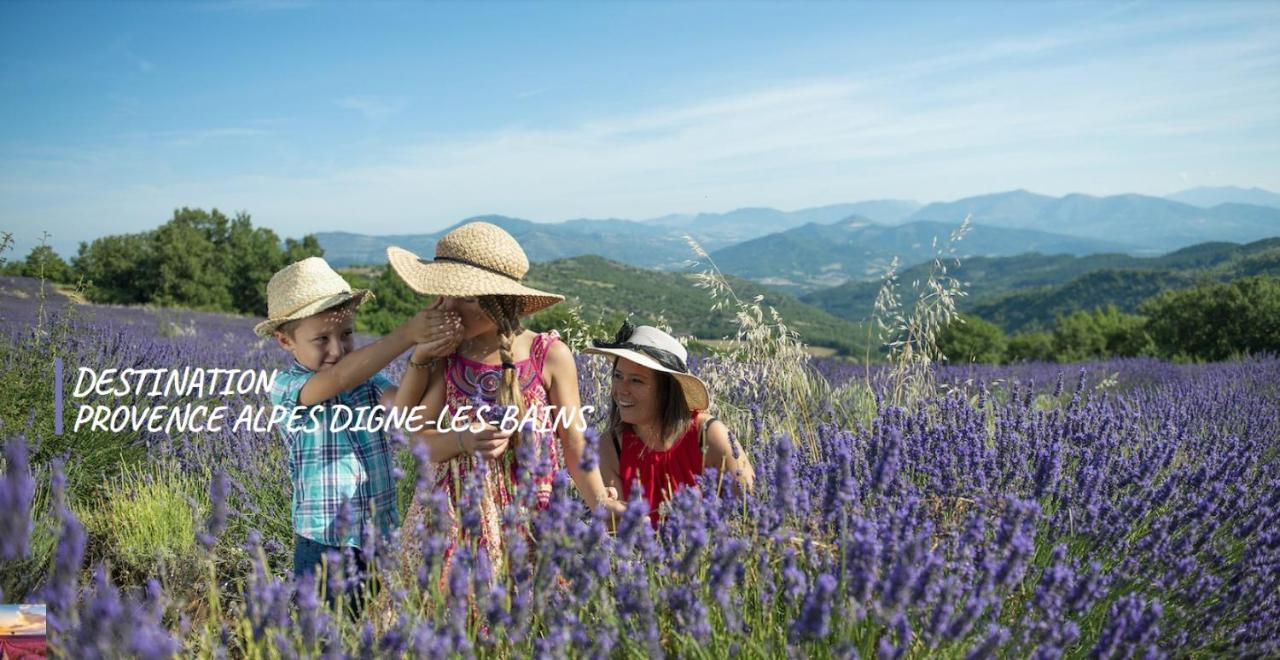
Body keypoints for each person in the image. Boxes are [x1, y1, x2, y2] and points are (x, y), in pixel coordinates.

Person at [387, 221, 624, 578]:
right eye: (444, 294)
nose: (449, 307)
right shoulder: (447, 358)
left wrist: (600, 504)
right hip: (456, 518)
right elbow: (418, 442)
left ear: (498, 302)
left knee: (531, 614)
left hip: (532, 514)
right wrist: (462, 439)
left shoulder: (550, 355)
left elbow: (575, 443)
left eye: (464, 297)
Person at [256, 256, 460, 604]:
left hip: (380, 538)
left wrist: (434, 356)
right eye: (322, 339)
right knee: (329, 638)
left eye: (347, 334)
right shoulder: (287, 386)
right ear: (284, 341)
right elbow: (338, 377)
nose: (337, 349)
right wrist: (408, 333)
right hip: (325, 543)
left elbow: (408, 415)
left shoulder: (367, 383)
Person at [586, 321, 754, 527]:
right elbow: (617, 532)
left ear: (667, 390)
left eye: (637, 381)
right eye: (618, 376)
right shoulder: (610, 446)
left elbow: (747, 512)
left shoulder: (708, 435)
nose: (622, 389)